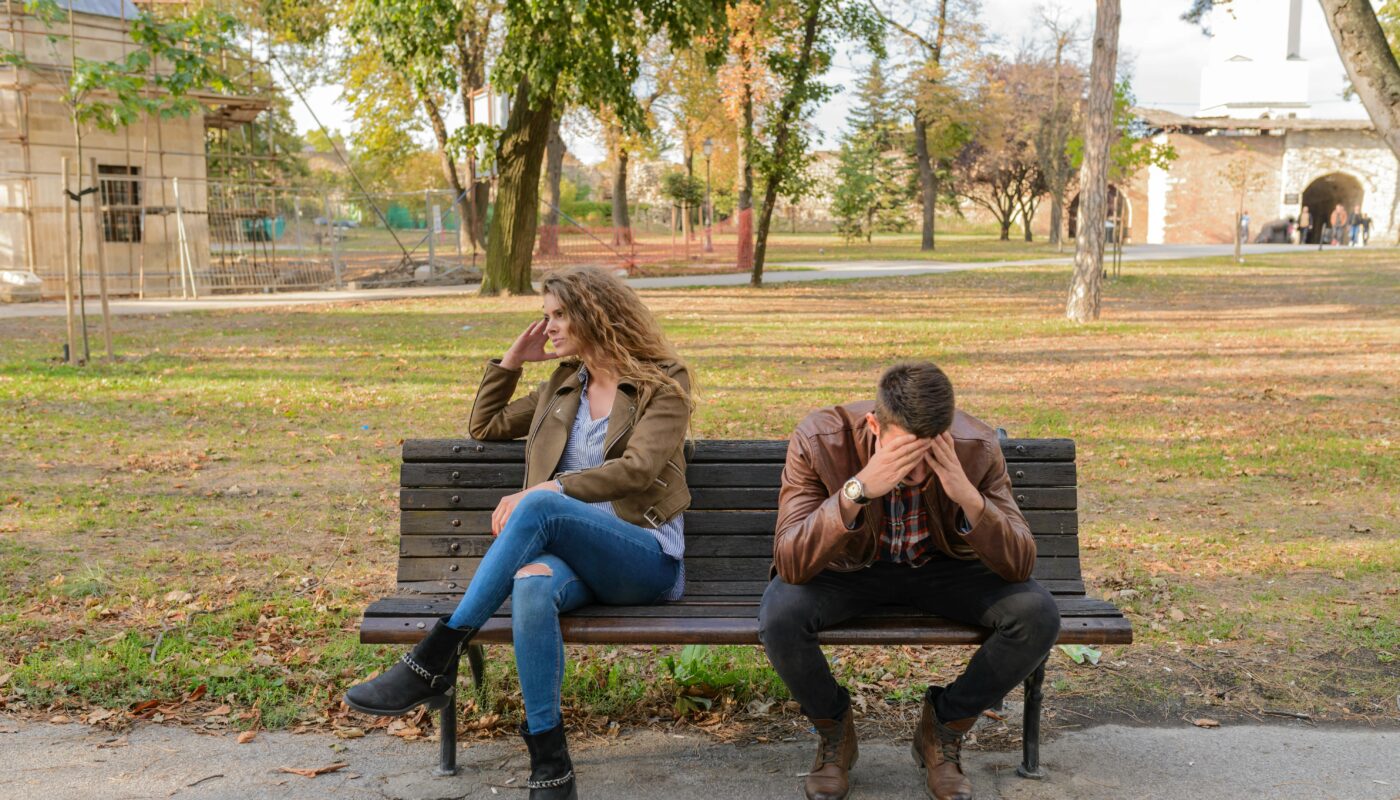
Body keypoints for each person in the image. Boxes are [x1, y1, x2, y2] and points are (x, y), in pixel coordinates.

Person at [344, 265, 694, 799]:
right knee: (531, 584)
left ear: (593, 314)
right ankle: (550, 765)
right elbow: (485, 426)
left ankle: (436, 655)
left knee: (540, 506)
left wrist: (548, 491)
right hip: (572, 558)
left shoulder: (661, 382)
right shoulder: (562, 385)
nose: (547, 327)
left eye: (558, 315)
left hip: (642, 555)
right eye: (545, 316)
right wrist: (511, 362)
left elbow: (640, 470)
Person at [758, 362, 1059, 800]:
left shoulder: (975, 445)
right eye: (902, 455)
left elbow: (1019, 564)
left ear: (947, 433)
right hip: (850, 570)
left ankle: (943, 729)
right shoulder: (820, 438)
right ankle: (834, 731)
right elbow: (791, 562)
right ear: (875, 425)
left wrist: (966, 494)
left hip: (942, 568)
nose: (914, 473)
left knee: (1036, 615)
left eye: (928, 455)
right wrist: (857, 490)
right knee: (780, 614)